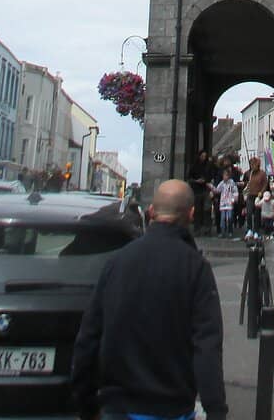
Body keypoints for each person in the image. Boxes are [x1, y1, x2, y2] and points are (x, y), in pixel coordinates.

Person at [71, 178, 227, 420]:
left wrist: (86, 403)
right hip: (173, 408)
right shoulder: (196, 268)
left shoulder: (117, 262)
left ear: (151, 212)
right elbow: (207, 347)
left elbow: (89, 338)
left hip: (118, 407)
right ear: (192, 214)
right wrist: (216, 410)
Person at [242, 157, 268, 239]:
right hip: (250, 195)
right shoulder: (249, 173)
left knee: (257, 214)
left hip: (258, 196)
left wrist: (262, 192)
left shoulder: (262, 174)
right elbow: (245, 182)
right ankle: (249, 229)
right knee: (249, 212)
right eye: (251, 164)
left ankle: (256, 230)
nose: (252, 166)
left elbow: (265, 184)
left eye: (254, 164)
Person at [187, 151, 212, 236]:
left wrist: (207, 181)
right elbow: (189, 178)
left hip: (205, 189)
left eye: (205, 156)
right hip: (197, 190)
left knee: (207, 210)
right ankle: (197, 229)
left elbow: (211, 176)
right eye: (202, 156)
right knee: (197, 211)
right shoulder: (194, 166)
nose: (204, 158)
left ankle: (207, 229)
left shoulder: (208, 166)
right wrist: (196, 181)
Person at [213, 168, 239, 238]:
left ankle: (230, 231)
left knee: (230, 217)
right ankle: (222, 231)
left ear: (228, 176)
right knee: (223, 218)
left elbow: (235, 191)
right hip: (223, 203)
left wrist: (234, 198)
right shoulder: (221, 183)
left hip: (229, 203)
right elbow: (217, 190)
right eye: (224, 176)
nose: (225, 177)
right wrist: (212, 189)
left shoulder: (232, 183)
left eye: (226, 176)